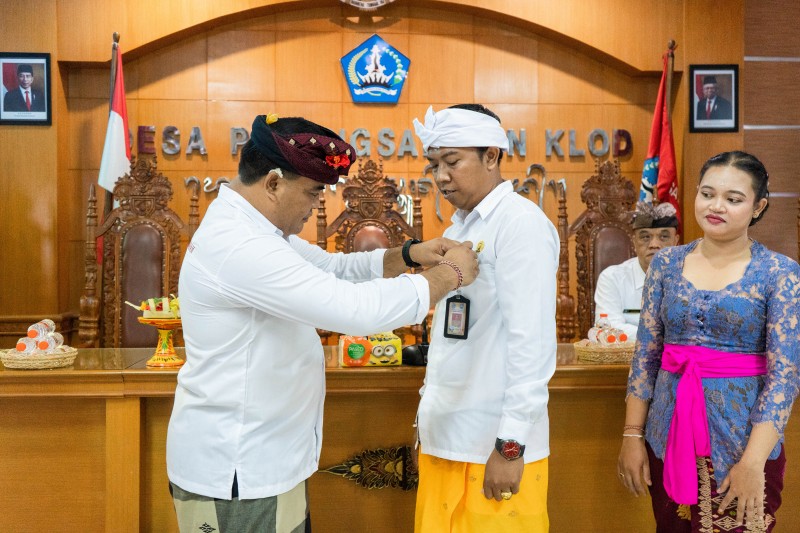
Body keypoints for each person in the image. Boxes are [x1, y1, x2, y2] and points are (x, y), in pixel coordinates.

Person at [166, 113, 479, 533]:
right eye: (313, 193)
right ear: (273, 183)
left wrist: (409, 254)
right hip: (238, 469)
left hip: (265, 461)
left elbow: (334, 269)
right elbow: (354, 309)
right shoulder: (240, 245)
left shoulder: (257, 232)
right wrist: (449, 276)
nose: (315, 207)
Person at [617, 151, 800, 532]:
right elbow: (646, 358)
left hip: (742, 443)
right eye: (707, 194)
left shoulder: (779, 273)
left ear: (758, 206)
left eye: (733, 199)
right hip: (667, 436)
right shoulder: (665, 264)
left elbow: (784, 377)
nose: (716, 206)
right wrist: (632, 435)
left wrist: (752, 463)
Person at [411, 104, 559, 532]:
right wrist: (426, 419)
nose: (441, 177)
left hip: (493, 447)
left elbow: (532, 343)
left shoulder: (520, 224)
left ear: (491, 156)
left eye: (452, 162)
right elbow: (451, 339)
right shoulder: (459, 229)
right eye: (434, 165)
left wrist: (511, 445)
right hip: (447, 438)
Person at [594, 201, 679, 339]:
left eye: (663, 237)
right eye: (645, 237)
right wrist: (665, 336)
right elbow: (608, 328)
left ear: (675, 241)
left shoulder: (691, 277)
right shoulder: (612, 278)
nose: (654, 244)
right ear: (634, 242)